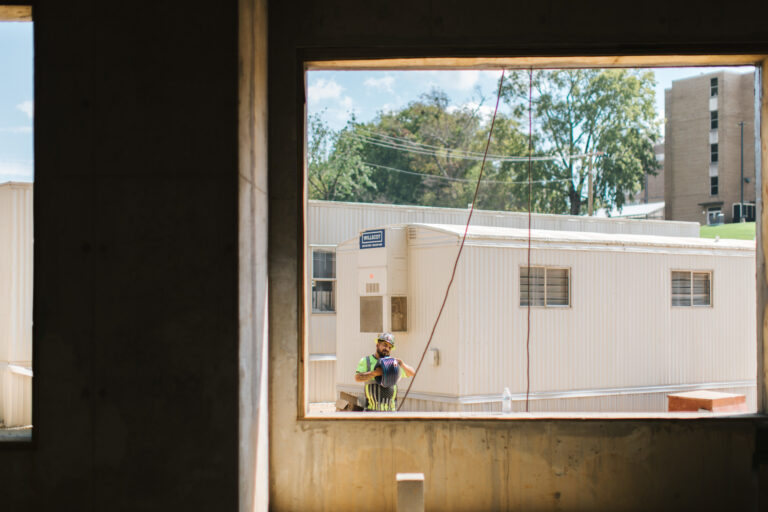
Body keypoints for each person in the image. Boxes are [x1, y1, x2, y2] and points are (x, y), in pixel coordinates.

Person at [354, 332, 415, 411]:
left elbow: (412, 373)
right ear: (377, 345)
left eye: (390, 347)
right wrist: (376, 373)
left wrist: (402, 364)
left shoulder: (393, 364)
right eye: (385, 345)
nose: (387, 349)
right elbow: (357, 378)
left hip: (390, 411)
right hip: (371, 411)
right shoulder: (366, 361)